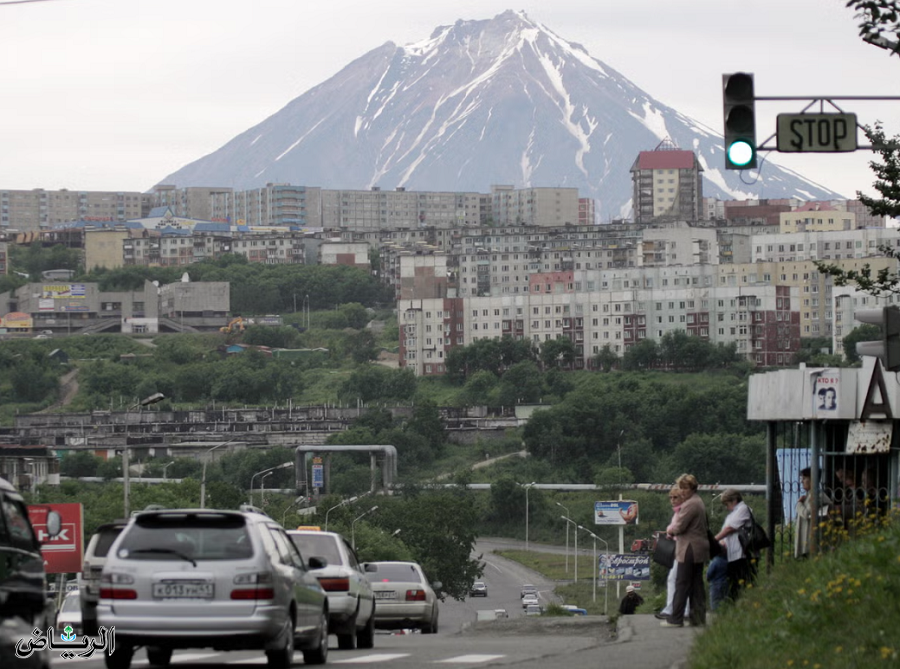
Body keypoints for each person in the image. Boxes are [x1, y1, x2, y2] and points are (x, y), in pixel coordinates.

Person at [663, 474, 708, 628]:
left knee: (682, 583)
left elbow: (679, 526)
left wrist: (670, 530)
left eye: (685, 488)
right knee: (696, 584)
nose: (682, 491)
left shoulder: (690, 505)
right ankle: (698, 617)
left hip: (689, 547)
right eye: (681, 487)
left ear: (692, 488)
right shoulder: (698, 501)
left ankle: (676, 618)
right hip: (698, 547)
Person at [656, 487, 689, 621]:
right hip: (680, 548)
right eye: (670, 497)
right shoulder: (678, 512)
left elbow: (678, 528)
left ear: (683, 498)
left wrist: (670, 531)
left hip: (685, 549)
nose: (672, 500)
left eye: (675, 497)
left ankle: (673, 609)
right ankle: (679, 609)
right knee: (678, 579)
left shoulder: (683, 511)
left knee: (676, 579)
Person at [713, 489, 753, 602]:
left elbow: (730, 529)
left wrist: (714, 539)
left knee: (740, 582)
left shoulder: (743, 509)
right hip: (732, 553)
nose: (727, 507)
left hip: (741, 553)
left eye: (727, 504)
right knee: (734, 582)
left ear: (734, 500)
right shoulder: (734, 513)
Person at [794, 467, 832, 558]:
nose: (802, 481)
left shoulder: (817, 496)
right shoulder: (810, 495)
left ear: (812, 479)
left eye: (804, 479)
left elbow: (807, 513)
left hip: (811, 541)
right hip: (807, 540)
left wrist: (798, 504)